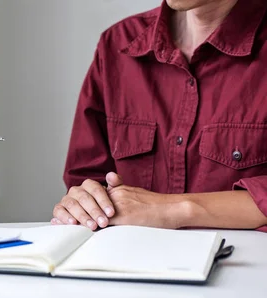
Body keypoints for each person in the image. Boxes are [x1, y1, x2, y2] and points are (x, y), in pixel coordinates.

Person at [52, 0, 267, 232]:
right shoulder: (116, 44)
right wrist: (84, 203)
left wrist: (172, 209)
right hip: (129, 262)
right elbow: (86, 178)